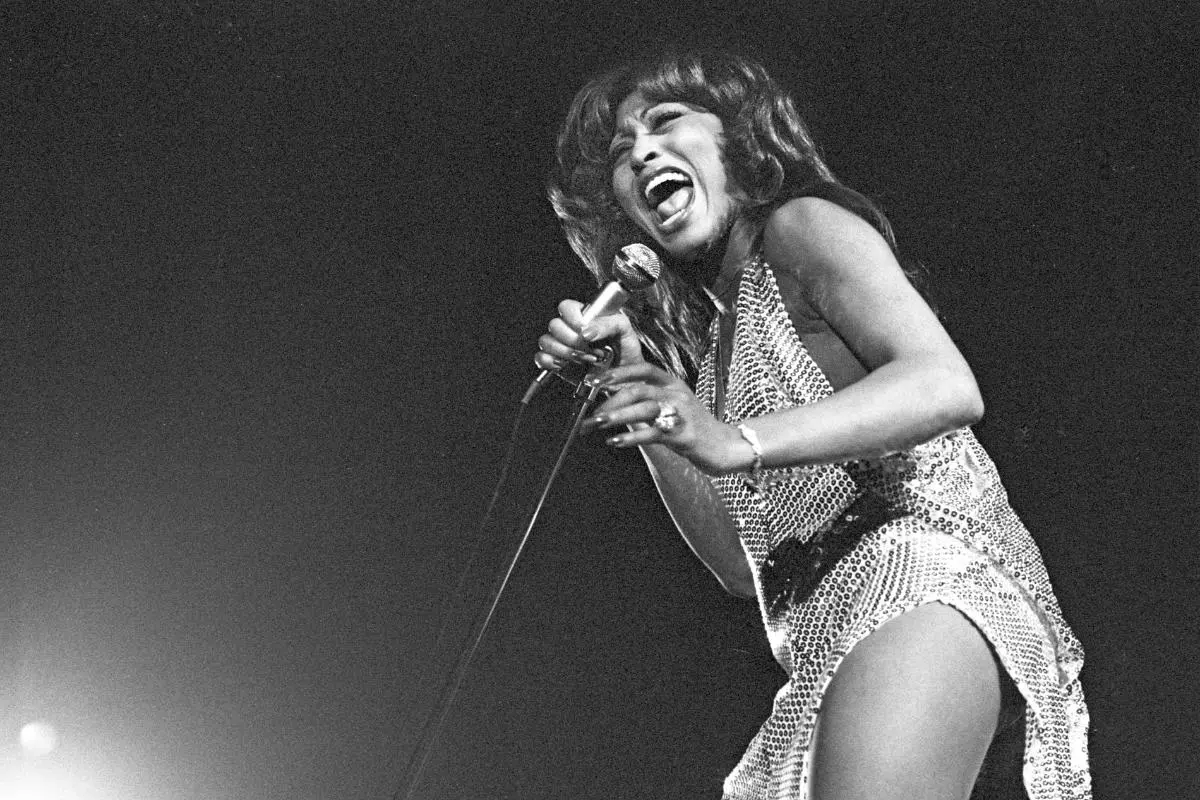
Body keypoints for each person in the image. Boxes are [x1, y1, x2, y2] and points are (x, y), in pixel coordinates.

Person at [534, 52, 1091, 800]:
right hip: (823, 653)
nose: (640, 152)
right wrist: (637, 391)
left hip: (918, 589)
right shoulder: (717, 368)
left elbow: (943, 383)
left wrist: (736, 442)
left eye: (666, 122)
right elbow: (741, 567)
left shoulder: (799, 228)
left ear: (739, 142)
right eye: (620, 154)